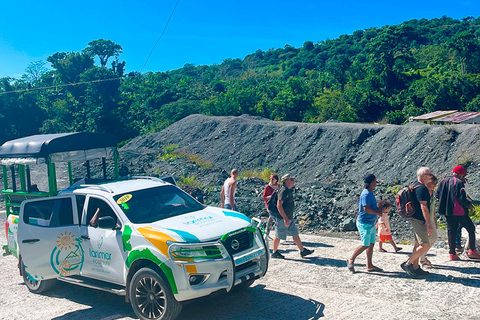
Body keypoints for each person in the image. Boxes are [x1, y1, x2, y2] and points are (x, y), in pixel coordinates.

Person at [435, 165, 480, 260]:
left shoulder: (443, 181)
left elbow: (437, 194)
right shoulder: (458, 182)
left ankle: (452, 253)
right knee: (471, 228)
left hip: (447, 211)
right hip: (458, 211)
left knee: (451, 230)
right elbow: (461, 198)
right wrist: (469, 205)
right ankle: (472, 250)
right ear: (461, 174)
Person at [347, 173, 385, 273]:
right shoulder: (366, 194)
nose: (376, 183)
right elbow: (366, 209)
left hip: (370, 223)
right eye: (375, 181)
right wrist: (377, 212)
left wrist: (379, 208)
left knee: (371, 244)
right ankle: (351, 259)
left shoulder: (369, 193)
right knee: (365, 244)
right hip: (364, 223)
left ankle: (369, 265)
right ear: (372, 182)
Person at [271, 174, 314, 259]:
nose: (293, 180)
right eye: (292, 179)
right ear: (287, 180)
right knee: (278, 235)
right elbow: (279, 205)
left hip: (288, 217)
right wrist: (285, 218)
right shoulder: (283, 191)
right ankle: (274, 252)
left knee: (295, 233)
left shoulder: (288, 190)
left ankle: (302, 251)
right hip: (282, 218)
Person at [400, 167, 434, 277]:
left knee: (418, 244)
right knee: (425, 244)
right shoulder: (422, 189)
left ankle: (415, 267)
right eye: (429, 174)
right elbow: (423, 206)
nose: (431, 176)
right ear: (423, 176)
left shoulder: (416, 186)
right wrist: (428, 224)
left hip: (416, 218)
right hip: (419, 220)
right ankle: (408, 263)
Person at [419, 175, 439, 268]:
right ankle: (422, 259)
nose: (435, 185)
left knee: (433, 237)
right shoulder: (424, 192)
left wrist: (434, 220)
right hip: (425, 219)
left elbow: (433, 207)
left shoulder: (432, 193)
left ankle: (422, 257)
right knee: (427, 239)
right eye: (433, 183)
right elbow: (424, 207)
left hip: (431, 217)